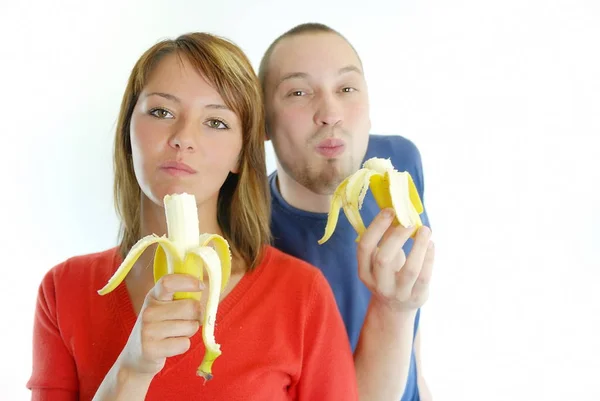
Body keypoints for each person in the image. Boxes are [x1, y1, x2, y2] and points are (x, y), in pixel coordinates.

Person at [26, 32, 359, 401]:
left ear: (239, 155)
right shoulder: (63, 291)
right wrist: (131, 370)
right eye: (161, 112)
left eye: (216, 122)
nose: (183, 138)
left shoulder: (302, 295)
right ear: (128, 132)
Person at [259, 23, 436, 401]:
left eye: (346, 89)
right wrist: (396, 309)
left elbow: (412, 300)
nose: (330, 113)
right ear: (263, 124)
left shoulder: (402, 162)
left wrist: (422, 387)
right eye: (298, 92)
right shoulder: (245, 237)